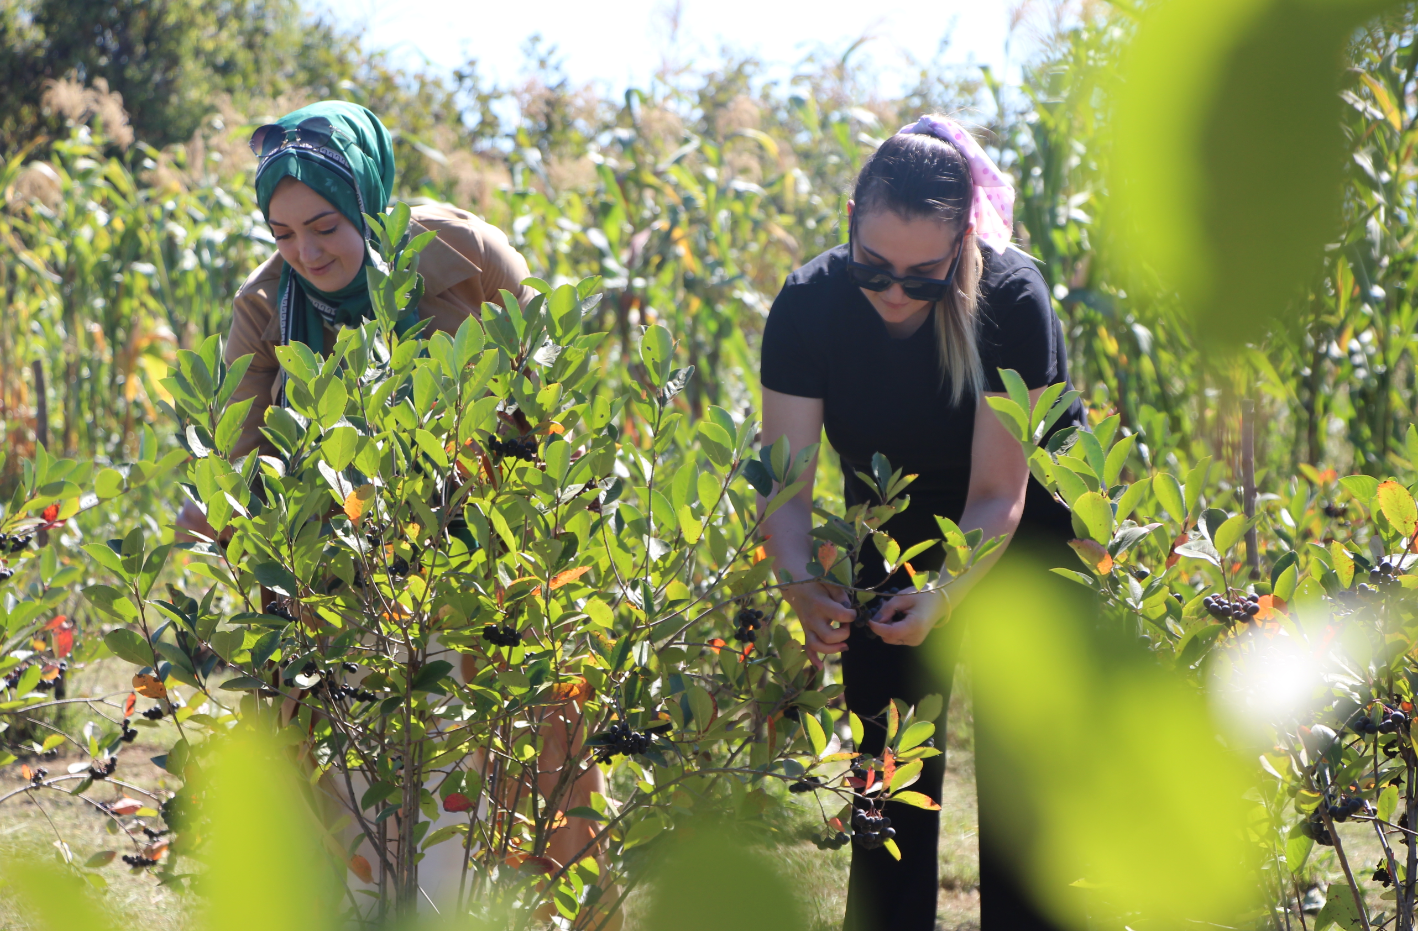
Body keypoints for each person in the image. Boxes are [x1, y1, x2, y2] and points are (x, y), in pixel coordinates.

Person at [171, 100, 602, 906]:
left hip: (479, 573)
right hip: (347, 590)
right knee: (365, 819)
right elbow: (231, 448)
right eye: (284, 233)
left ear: (368, 194)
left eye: (325, 225)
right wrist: (211, 505)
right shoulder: (266, 306)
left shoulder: (466, 255)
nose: (307, 251)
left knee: (487, 797)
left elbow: (545, 404)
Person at [759, 115, 1084, 930]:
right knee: (891, 768)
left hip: (1027, 514)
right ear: (848, 223)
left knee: (1025, 788)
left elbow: (997, 495)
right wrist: (799, 578)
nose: (897, 294)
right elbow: (787, 485)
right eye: (875, 270)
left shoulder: (1011, 296)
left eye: (924, 277)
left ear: (963, 241)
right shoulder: (807, 304)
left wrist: (947, 592)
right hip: (896, 513)